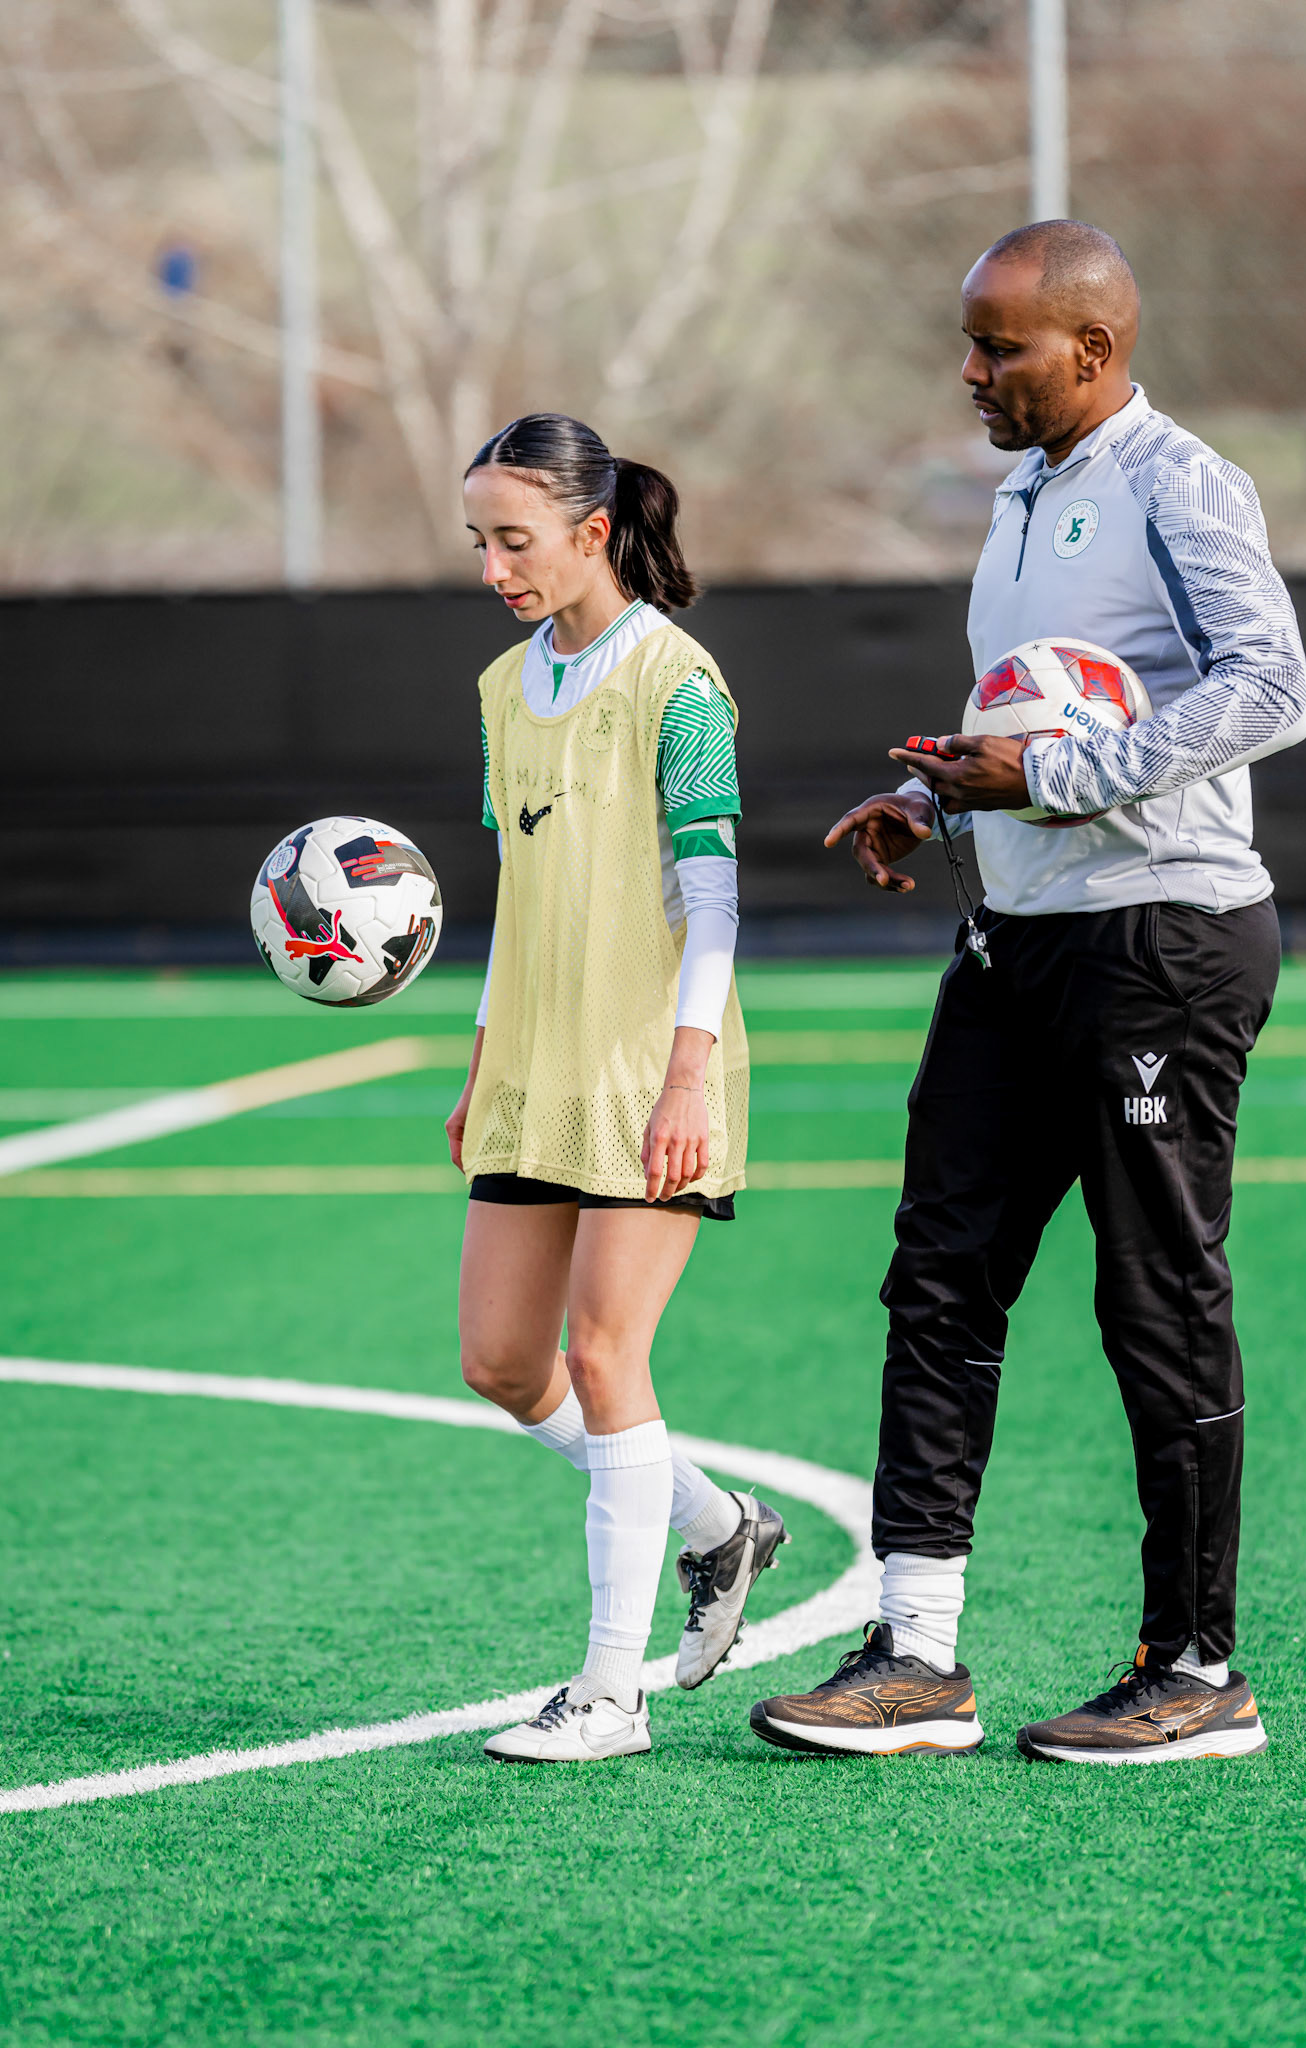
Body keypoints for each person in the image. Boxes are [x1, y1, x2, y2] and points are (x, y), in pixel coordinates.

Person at [749, 220, 1306, 1764]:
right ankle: (915, 1658)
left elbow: (1269, 691)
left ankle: (1194, 1674)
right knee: (938, 1279)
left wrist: (1049, 777)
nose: (972, 371)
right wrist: (946, 802)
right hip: (1016, 937)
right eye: (970, 342)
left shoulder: (1177, 482)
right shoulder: (1022, 492)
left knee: (1153, 1301)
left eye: (1000, 347)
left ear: (1093, 350)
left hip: (1160, 945)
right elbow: (1040, 703)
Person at [447, 413, 787, 1764]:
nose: (493, 568)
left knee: (604, 1354)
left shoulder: (677, 681)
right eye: (478, 542)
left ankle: (608, 1693)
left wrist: (688, 1076)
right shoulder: (494, 690)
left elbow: (711, 900)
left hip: (654, 1069)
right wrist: (484, 1064)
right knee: (502, 1363)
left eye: (513, 540)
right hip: (533, 1066)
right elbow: (518, 895)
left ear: (593, 533)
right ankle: (719, 1526)